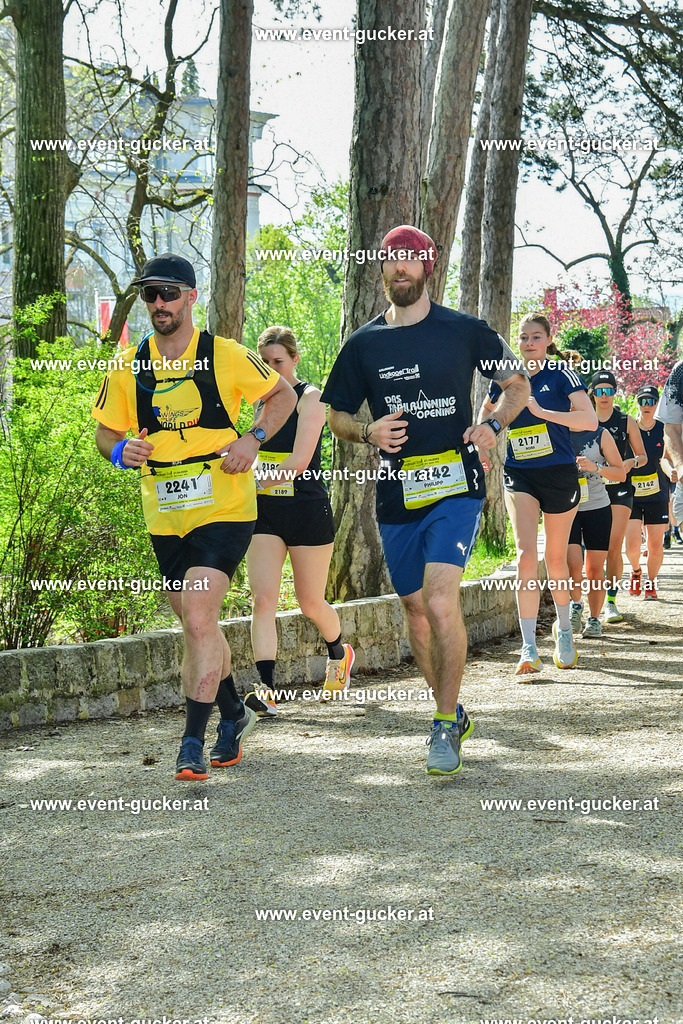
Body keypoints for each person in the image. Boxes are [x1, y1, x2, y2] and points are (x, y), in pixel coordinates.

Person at [321, 224, 530, 777]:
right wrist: (366, 433)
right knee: (414, 608)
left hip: (455, 488)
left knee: (440, 601)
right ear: (382, 268)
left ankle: (440, 724)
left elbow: (517, 385)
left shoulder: (465, 331)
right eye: (391, 259)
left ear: (429, 267)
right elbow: (334, 413)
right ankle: (451, 710)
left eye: (411, 259)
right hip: (396, 493)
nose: (401, 268)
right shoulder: (364, 344)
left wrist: (492, 426)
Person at [92, 253, 296, 781]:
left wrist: (253, 440)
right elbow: (105, 433)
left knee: (201, 616)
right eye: (149, 294)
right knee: (193, 623)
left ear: (190, 297)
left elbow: (282, 396)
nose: (158, 303)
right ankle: (231, 714)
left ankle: (190, 742)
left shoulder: (225, 355)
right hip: (164, 512)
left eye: (168, 293)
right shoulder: (127, 366)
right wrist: (120, 453)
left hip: (224, 503)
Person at [245, 326, 354, 715]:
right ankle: (265, 689)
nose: (271, 370)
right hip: (265, 512)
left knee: (309, 602)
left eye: (277, 362)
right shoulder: (261, 403)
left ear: (294, 359)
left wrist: (249, 479)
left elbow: (299, 461)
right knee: (263, 599)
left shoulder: (311, 397)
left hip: (306, 509)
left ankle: (339, 653)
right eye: (264, 363)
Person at [481, 314, 597, 677]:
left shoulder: (561, 375)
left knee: (556, 558)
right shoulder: (507, 378)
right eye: (524, 337)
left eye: (536, 337)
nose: (529, 343)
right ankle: (528, 647)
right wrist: (484, 448)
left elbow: (589, 421)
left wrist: (543, 412)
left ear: (548, 340)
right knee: (526, 555)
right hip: (520, 475)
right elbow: (486, 414)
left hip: (560, 474)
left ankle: (564, 630)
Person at [590, 370, 645, 622]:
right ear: (592, 393)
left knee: (613, 547)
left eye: (608, 391)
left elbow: (643, 456)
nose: (604, 396)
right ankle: (582, 602)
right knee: (589, 550)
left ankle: (611, 601)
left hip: (620, 488)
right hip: (589, 489)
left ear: (615, 393)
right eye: (599, 391)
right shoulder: (583, 419)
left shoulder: (626, 421)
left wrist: (630, 462)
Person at [567, 422, 625, 638]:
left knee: (594, 569)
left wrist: (596, 468)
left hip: (597, 507)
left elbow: (620, 474)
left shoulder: (600, 434)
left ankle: (594, 619)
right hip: (566, 508)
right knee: (572, 565)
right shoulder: (555, 430)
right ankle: (576, 606)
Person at [624, 384, 669, 599]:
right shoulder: (630, 427)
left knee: (655, 543)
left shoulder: (664, 429)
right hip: (631, 494)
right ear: (638, 403)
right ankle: (635, 571)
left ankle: (651, 582)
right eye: (643, 401)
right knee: (632, 545)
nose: (647, 405)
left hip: (657, 494)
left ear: (657, 404)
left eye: (651, 401)